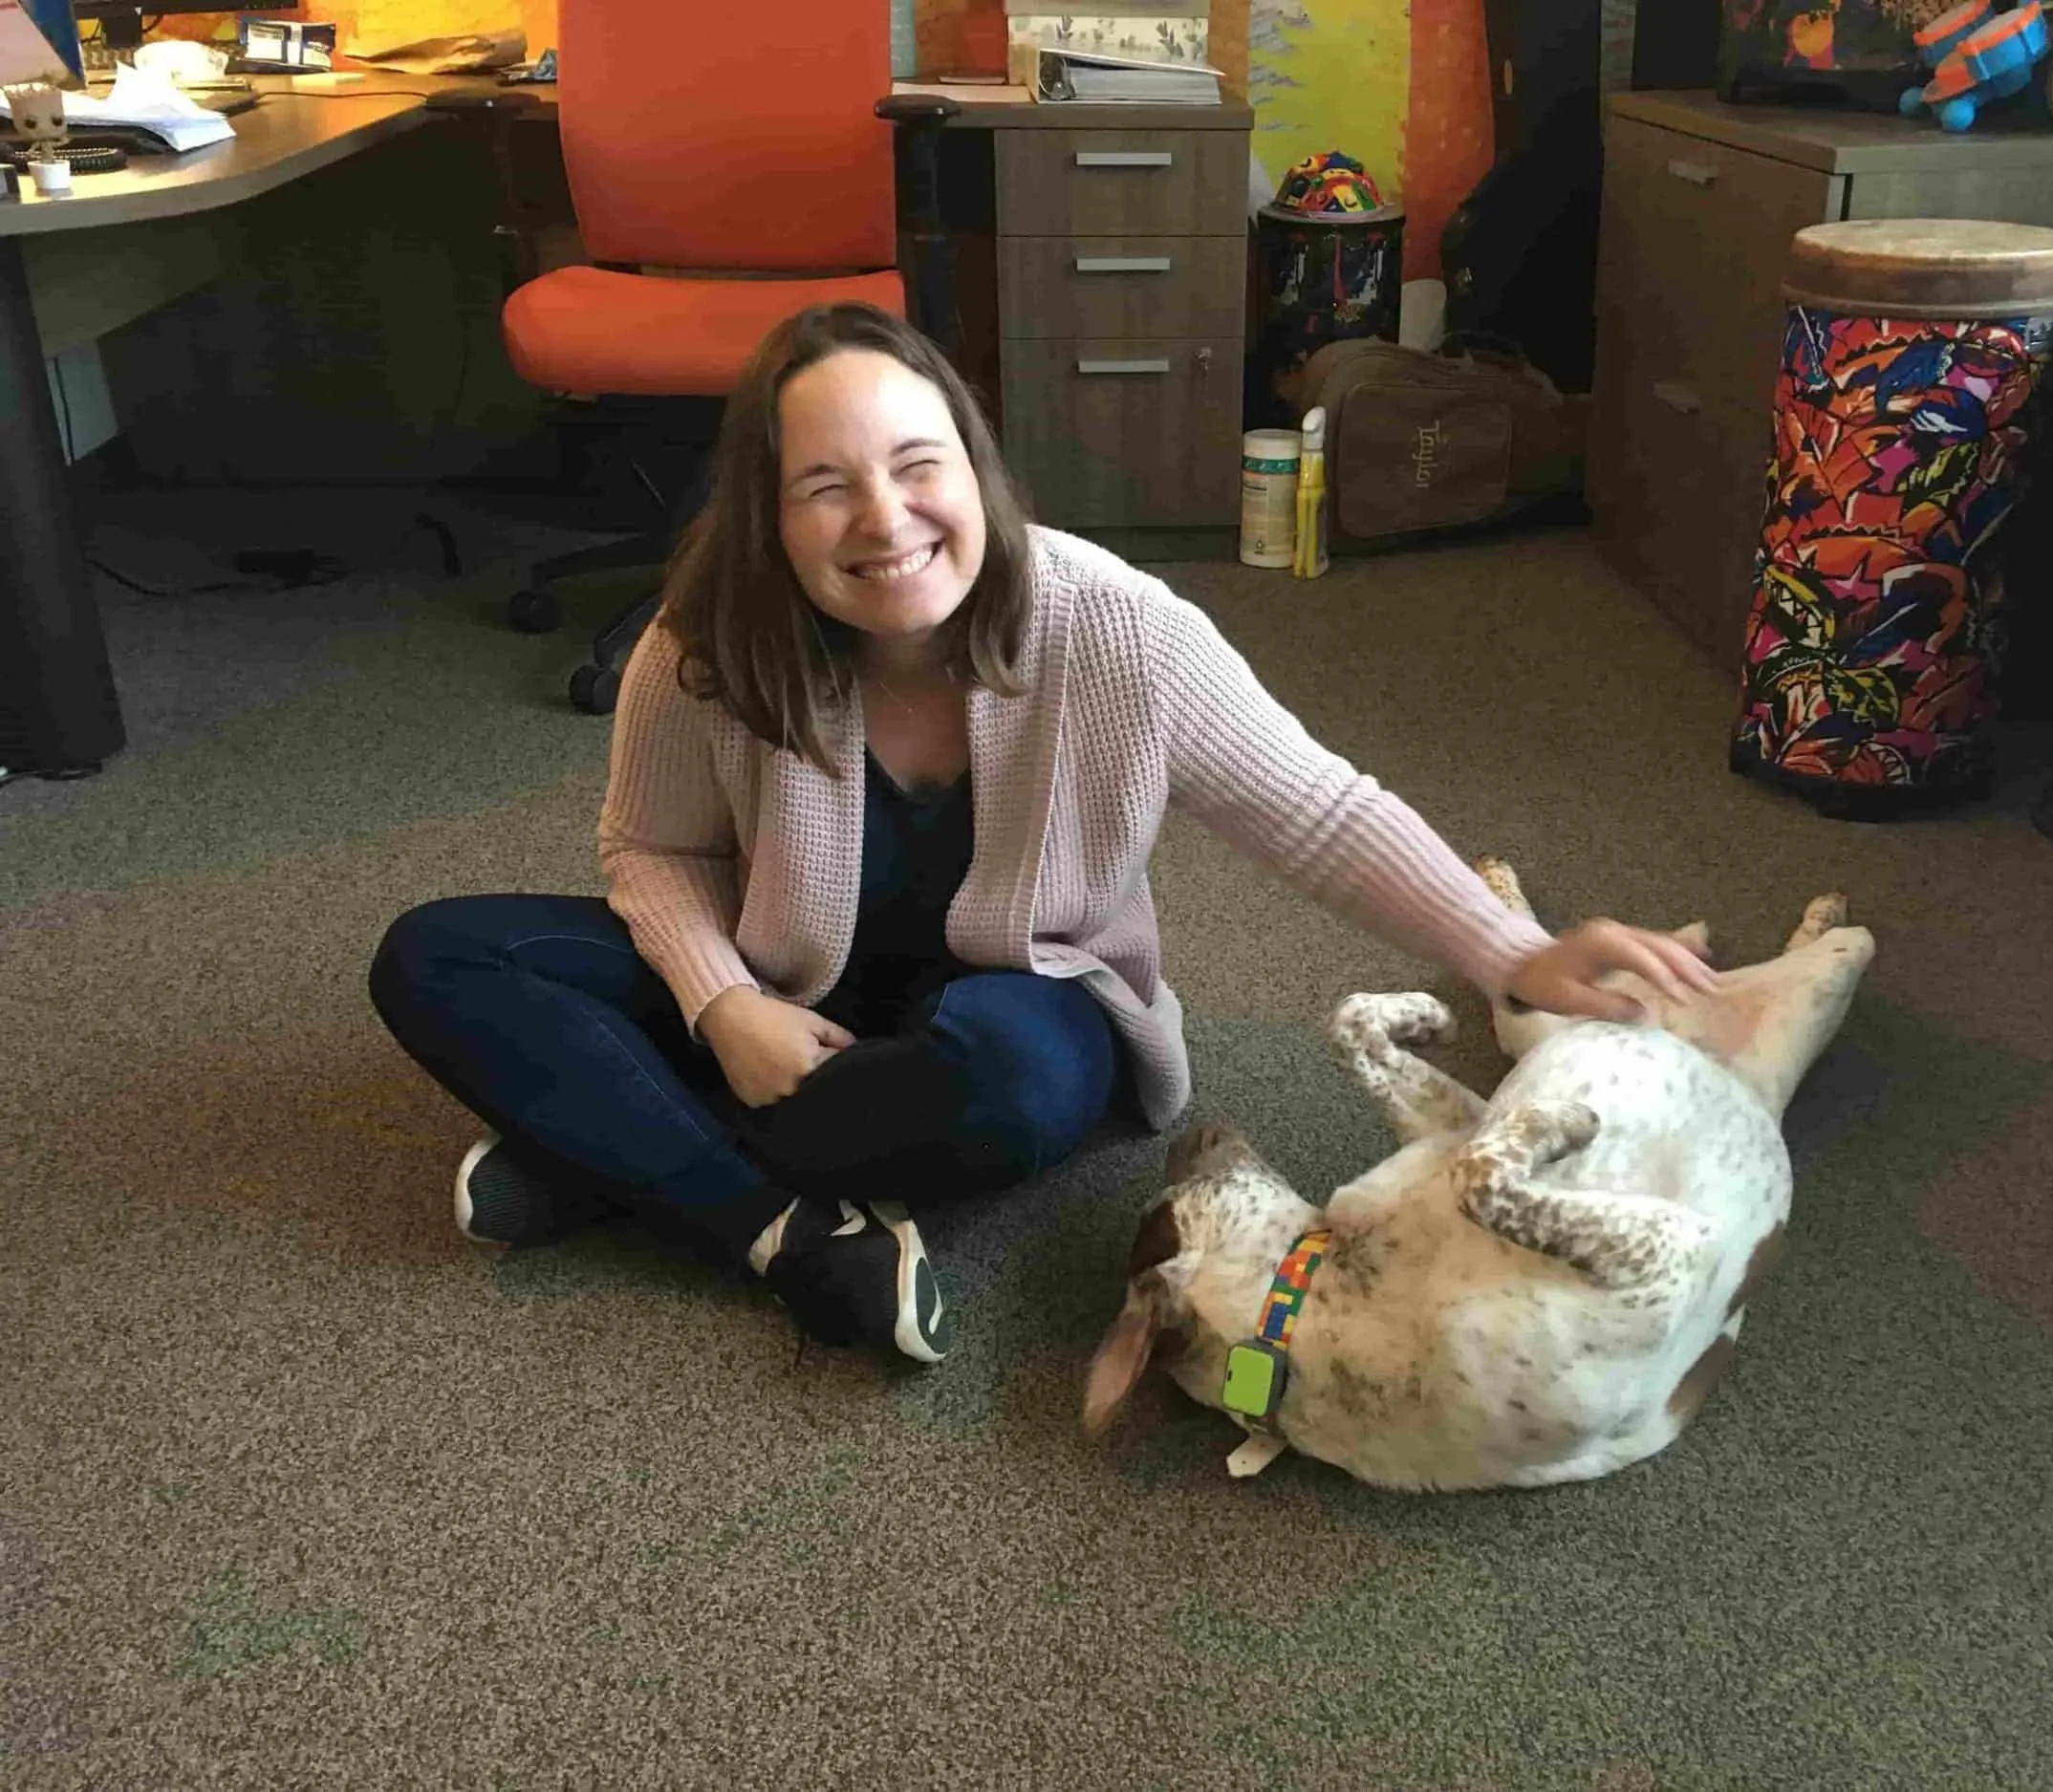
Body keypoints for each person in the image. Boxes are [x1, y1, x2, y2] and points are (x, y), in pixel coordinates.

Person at [368, 303, 1718, 1368]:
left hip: (1021, 1002)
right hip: (783, 988)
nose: (886, 520)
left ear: (975, 464)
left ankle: (607, 1142)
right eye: (825, 484)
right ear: (768, 512)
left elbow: (1312, 806)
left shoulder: (1116, 626)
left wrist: (1510, 948)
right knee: (434, 956)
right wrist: (721, 1004)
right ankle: (780, 1233)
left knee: (1015, 1095)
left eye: (917, 465)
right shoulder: (705, 637)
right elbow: (649, 853)